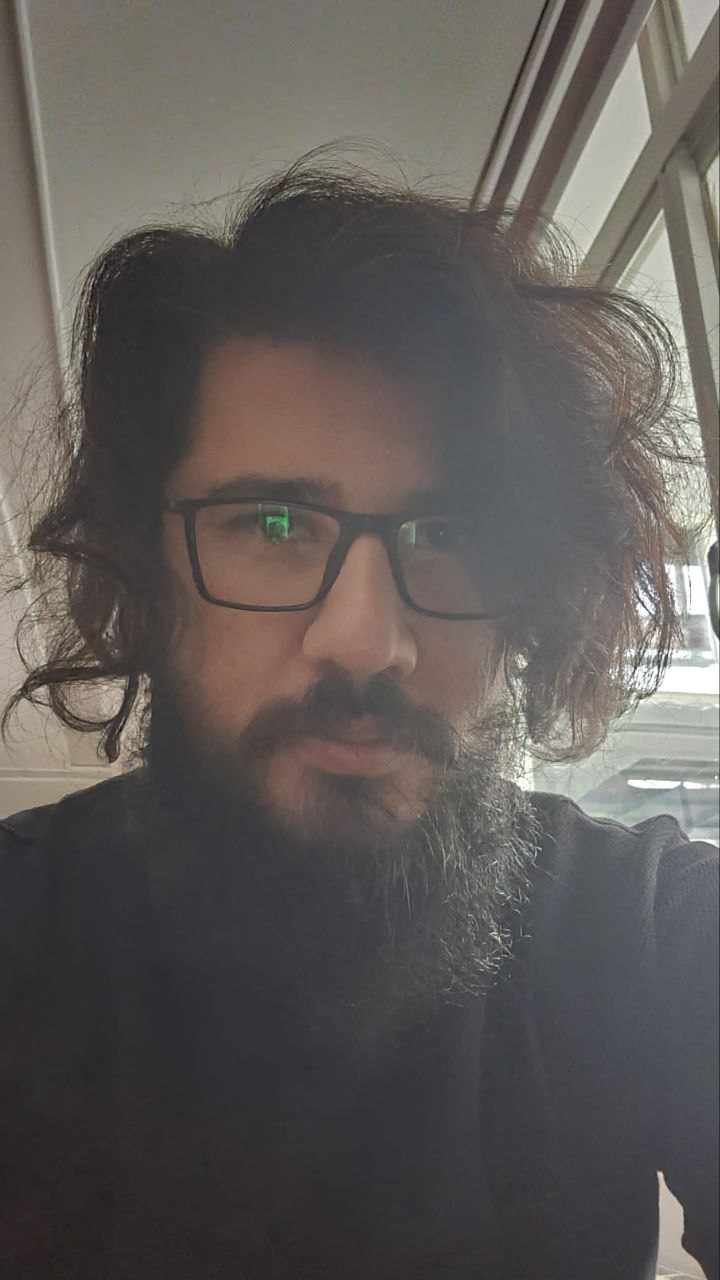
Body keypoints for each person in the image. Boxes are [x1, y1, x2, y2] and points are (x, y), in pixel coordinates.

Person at [1, 157, 717, 1280]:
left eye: (450, 534)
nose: (366, 640)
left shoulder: (654, 931)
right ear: (148, 568)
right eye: (272, 522)